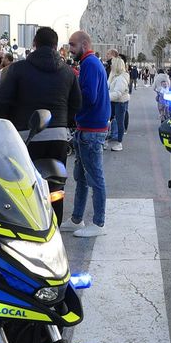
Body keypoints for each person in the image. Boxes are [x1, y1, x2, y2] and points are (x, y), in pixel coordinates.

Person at [0, 26, 80, 195]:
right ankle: (55, 220)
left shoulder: (18, 69)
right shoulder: (68, 72)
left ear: (34, 44)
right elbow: (77, 103)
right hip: (58, 136)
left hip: (26, 135)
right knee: (55, 187)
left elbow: (0, 100)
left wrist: (12, 122)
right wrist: (64, 122)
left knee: (27, 188)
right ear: (56, 46)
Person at [63, 30, 110, 237]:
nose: (70, 49)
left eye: (73, 45)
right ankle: (76, 219)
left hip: (91, 130)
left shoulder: (90, 64)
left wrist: (71, 100)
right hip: (88, 129)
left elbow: (88, 97)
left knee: (94, 178)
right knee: (81, 177)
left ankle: (98, 223)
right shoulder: (91, 63)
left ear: (84, 44)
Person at [106, 55, 131, 150]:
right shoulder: (114, 75)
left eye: (112, 64)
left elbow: (118, 93)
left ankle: (119, 143)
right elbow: (108, 85)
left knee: (120, 122)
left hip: (120, 102)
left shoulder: (121, 78)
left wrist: (105, 97)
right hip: (114, 101)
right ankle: (108, 140)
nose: (111, 65)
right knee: (109, 119)